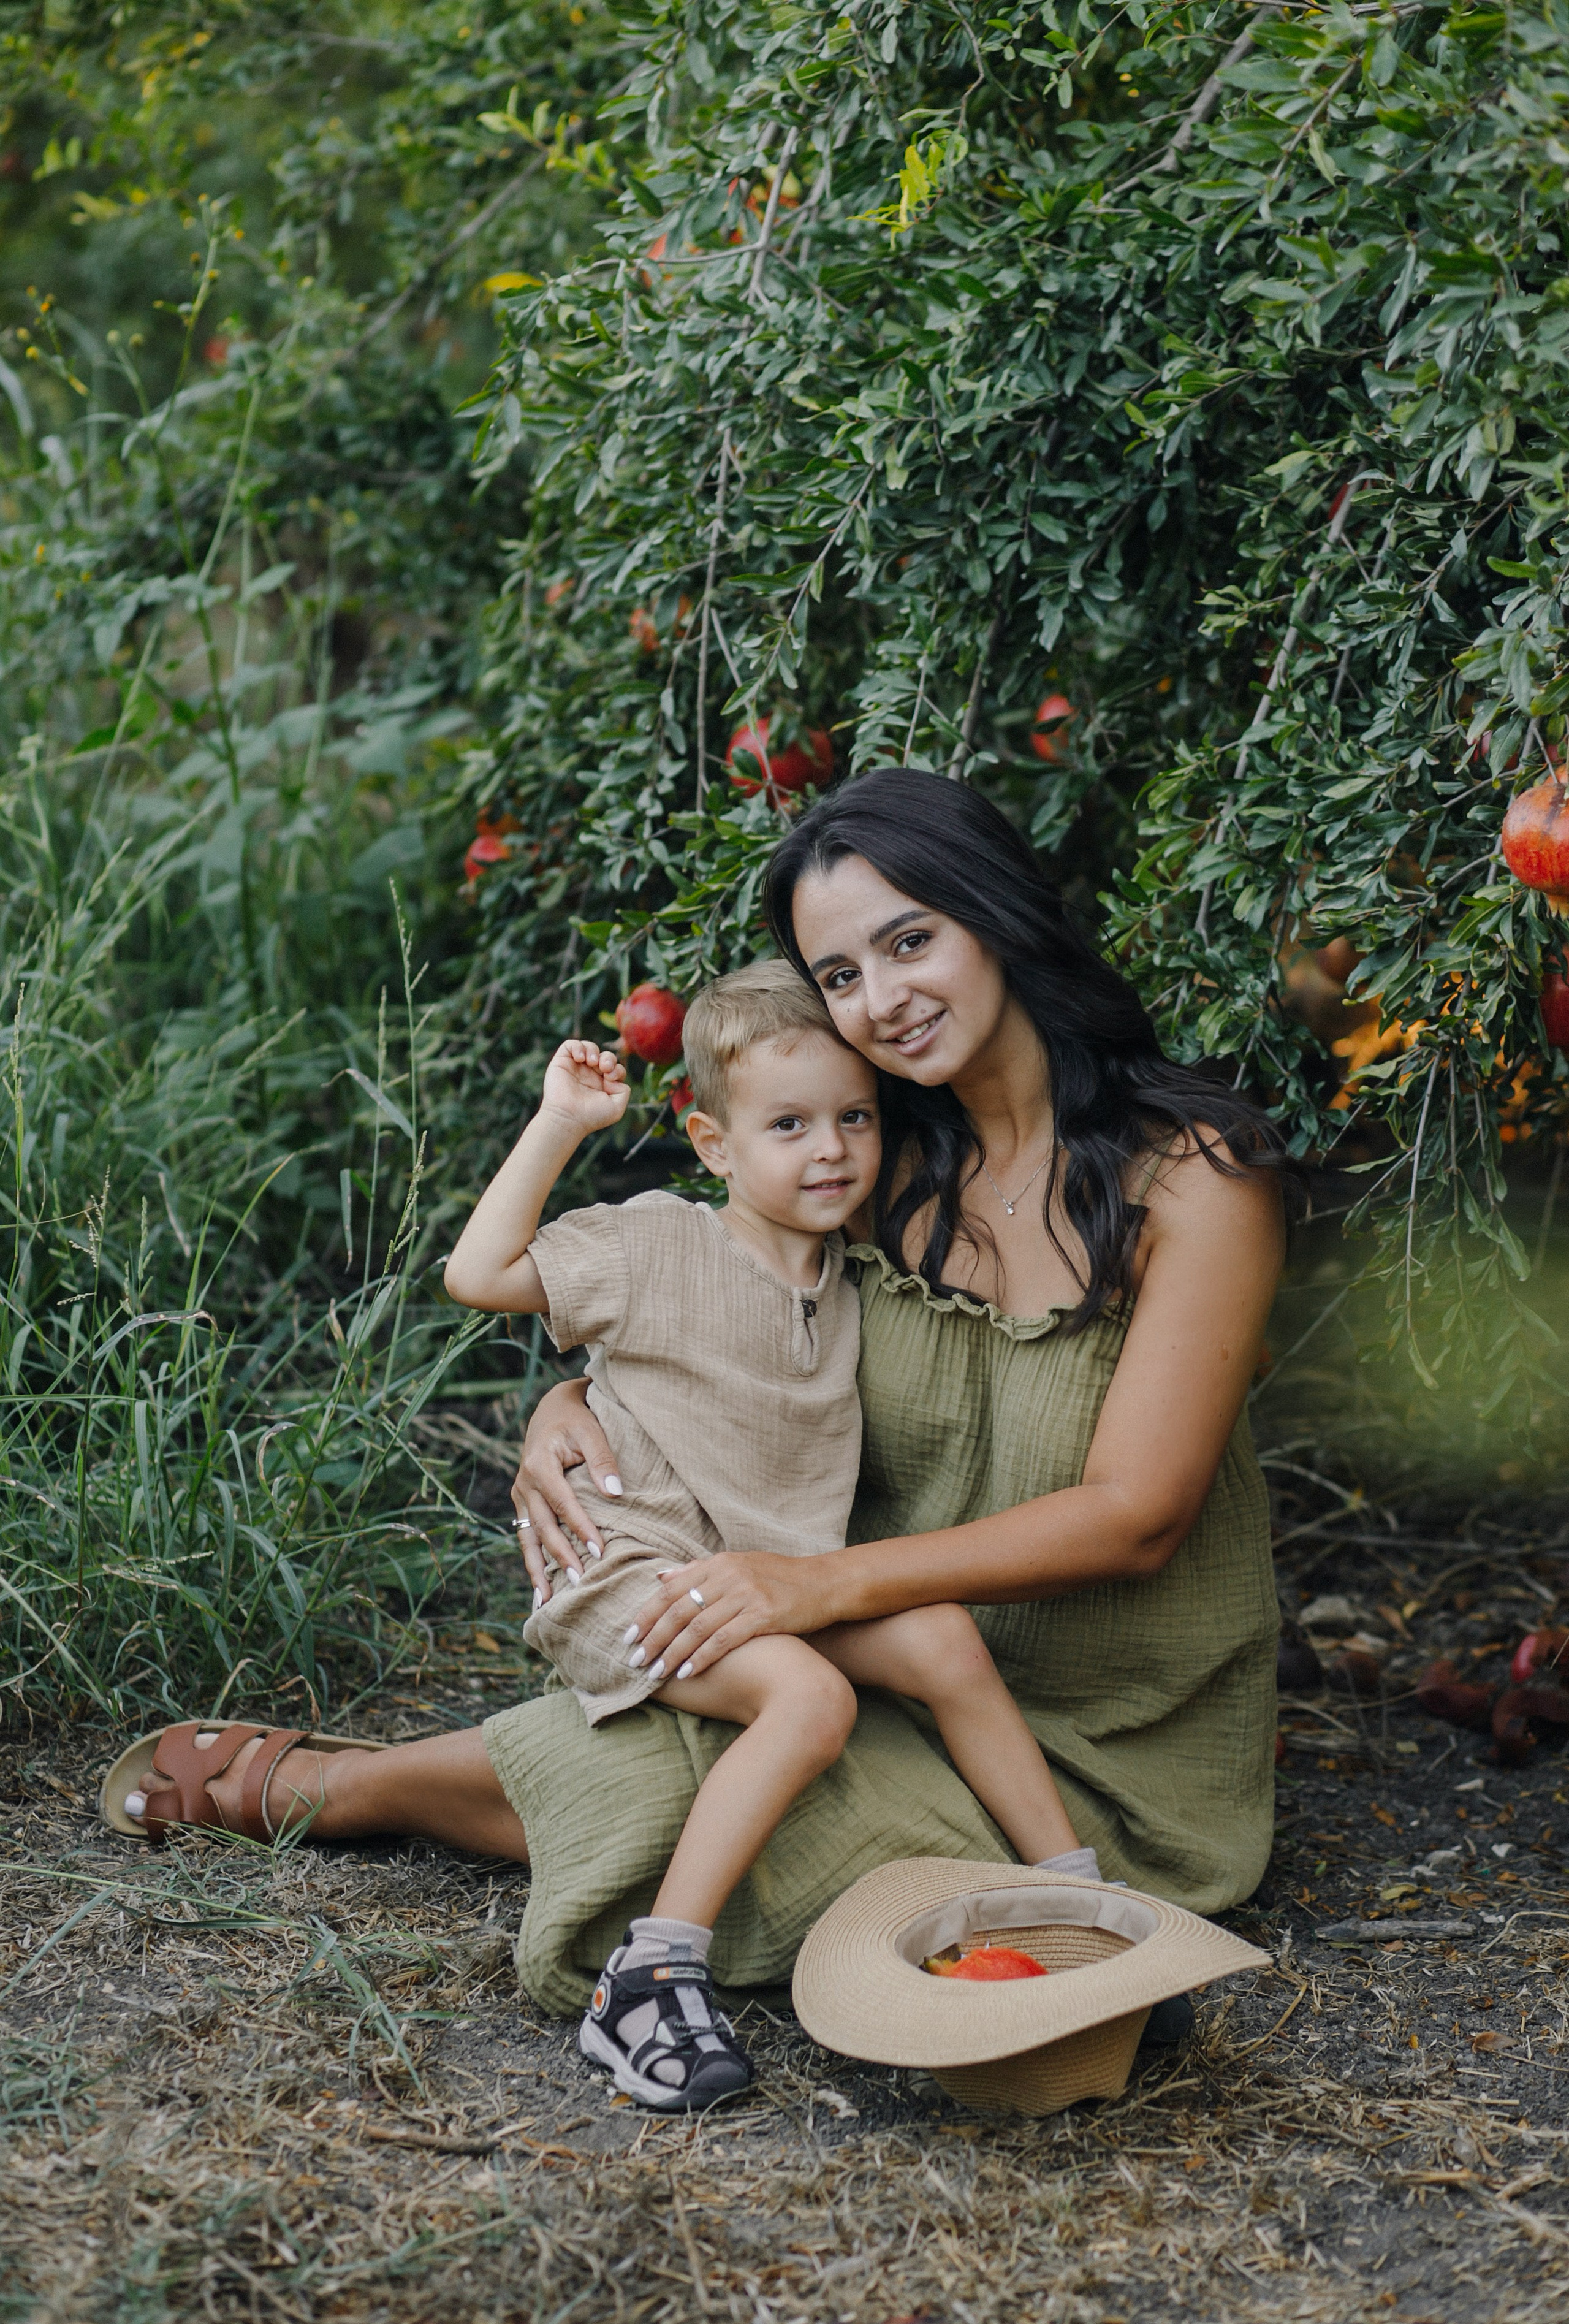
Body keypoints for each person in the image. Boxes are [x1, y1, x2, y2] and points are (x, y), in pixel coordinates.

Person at [115, 769, 1286, 2048]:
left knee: (724, 1783)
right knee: (760, 1739)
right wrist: (570, 1403)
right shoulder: (873, 1164)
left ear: (994, 915)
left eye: (910, 941)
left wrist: (813, 1590)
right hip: (893, 1659)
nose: (881, 1000)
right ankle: (347, 1787)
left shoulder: (1190, 1181)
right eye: (839, 975)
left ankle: (350, 1785)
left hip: (1108, 1746)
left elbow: (1134, 1519)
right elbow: (712, 1323)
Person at [440, 962, 1087, 2109]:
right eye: (788, 1124)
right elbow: (478, 1272)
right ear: (712, 1144)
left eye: (854, 1118)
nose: (830, 1148)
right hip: (628, 1574)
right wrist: (561, 1123)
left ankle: (1077, 1902)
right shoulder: (657, 1244)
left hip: (761, 1580)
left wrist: (571, 1396)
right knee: (810, 1701)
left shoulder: (849, 1266)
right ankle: (648, 1977)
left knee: (940, 1636)